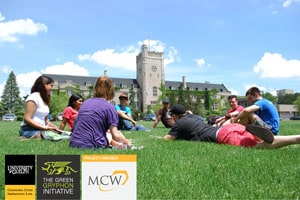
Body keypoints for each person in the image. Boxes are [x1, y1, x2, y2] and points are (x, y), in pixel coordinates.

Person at [163, 104, 300, 149]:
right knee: (260, 140)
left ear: (175, 115)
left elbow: (167, 139)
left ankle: (294, 139)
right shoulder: (193, 116)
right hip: (231, 128)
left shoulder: (180, 123)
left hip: (222, 135)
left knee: (258, 147)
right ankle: (258, 134)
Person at [70, 76, 131, 148]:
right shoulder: (109, 107)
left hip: (74, 144)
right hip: (93, 145)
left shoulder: (85, 104)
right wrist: (128, 143)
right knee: (111, 136)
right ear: (110, 90)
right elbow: (116, 136)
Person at [19, 75, 69, 140]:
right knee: (41, 136)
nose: (52, 88)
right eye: (51, 85)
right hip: (29, 129)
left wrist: (49, 123)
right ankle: (27, 137)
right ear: (44, 85)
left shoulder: (44, 99)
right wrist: (44, 128)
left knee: (64, 136)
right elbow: (27, 119)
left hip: (42, 128)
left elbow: (45, 117)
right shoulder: (33, 98)